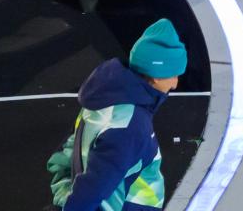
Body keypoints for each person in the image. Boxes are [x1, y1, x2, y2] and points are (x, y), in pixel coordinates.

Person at [45, 18, 185, 211]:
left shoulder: (104, 99)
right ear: (156, 75)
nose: (175, 84)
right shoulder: (130, 126)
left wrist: (64, 195)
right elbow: (95, 188)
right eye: (174, 75)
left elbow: (68, 151)